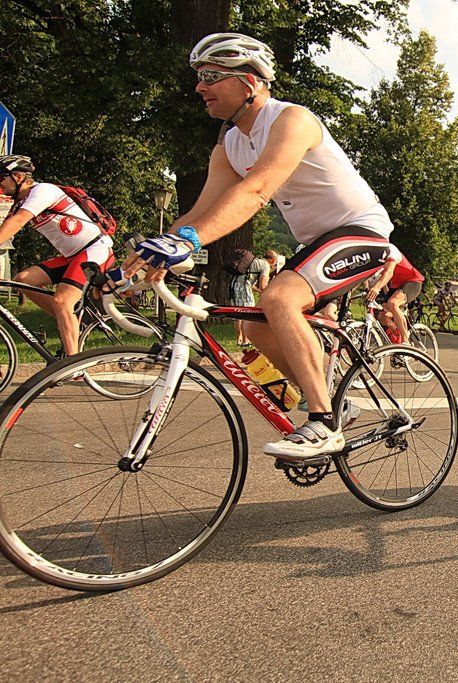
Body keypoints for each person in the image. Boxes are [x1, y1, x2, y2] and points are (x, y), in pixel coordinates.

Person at [122, 32, 395, 461]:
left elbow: (257, 190)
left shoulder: (292, 119)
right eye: (198, 77)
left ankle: (324, 424)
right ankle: (333, 402)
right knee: (255, 326)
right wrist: (144, 257)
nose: (199, 87)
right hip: (318, 243)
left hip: (362, 231)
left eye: (210, 76)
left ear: (249, 82)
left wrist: (188, 241)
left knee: (279, 297)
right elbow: (201, 210)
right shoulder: (230, 144)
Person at [0, 154, 115, 356]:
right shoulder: (20, 203)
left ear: (18, 176)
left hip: (95, 249)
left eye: (1, 177)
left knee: (61, 301)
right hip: (72, 256)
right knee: (24, 280)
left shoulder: (43, 191)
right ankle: (68, 319)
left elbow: (16, 223)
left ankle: (74, 364)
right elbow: (5, 230)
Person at [365, 244, 425, 343]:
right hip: (396, 286)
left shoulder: (390, 250)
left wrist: (376, 288)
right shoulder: (373, 258)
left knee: (393, 302)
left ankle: (405, 342)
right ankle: (398, 332)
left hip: (413, 281)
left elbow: (389, 273)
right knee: (382, 316)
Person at [227, 249, 271, 346]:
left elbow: (252, 285)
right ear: (272, 260)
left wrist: (258, 290)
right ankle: (246, 341)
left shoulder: (252, 261)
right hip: (243, 288)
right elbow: (263, 286)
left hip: (233, 286)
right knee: (248, 314)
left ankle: (239, 339)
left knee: (237, 315)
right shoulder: (265, 265)